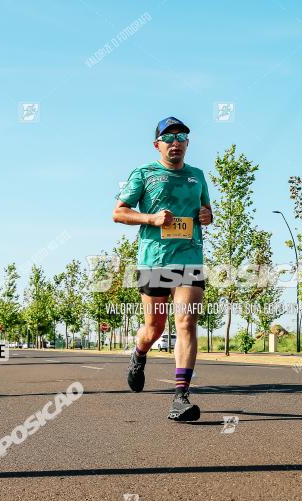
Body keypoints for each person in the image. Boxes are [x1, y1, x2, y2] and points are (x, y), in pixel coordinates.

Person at [112, 116, 213, 421]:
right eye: (168, 138)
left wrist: (207, 216)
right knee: (154, 329)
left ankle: (180, 397)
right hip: (154, 259)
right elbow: (119, 213)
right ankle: (139, 354)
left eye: (181, 137)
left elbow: (206, 212)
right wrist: (151, 218)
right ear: (157, 144)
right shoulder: (144, 174)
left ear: (188, 144)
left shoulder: (197, 176)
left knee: (185, 323)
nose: (175, 143)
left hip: (190, 258)